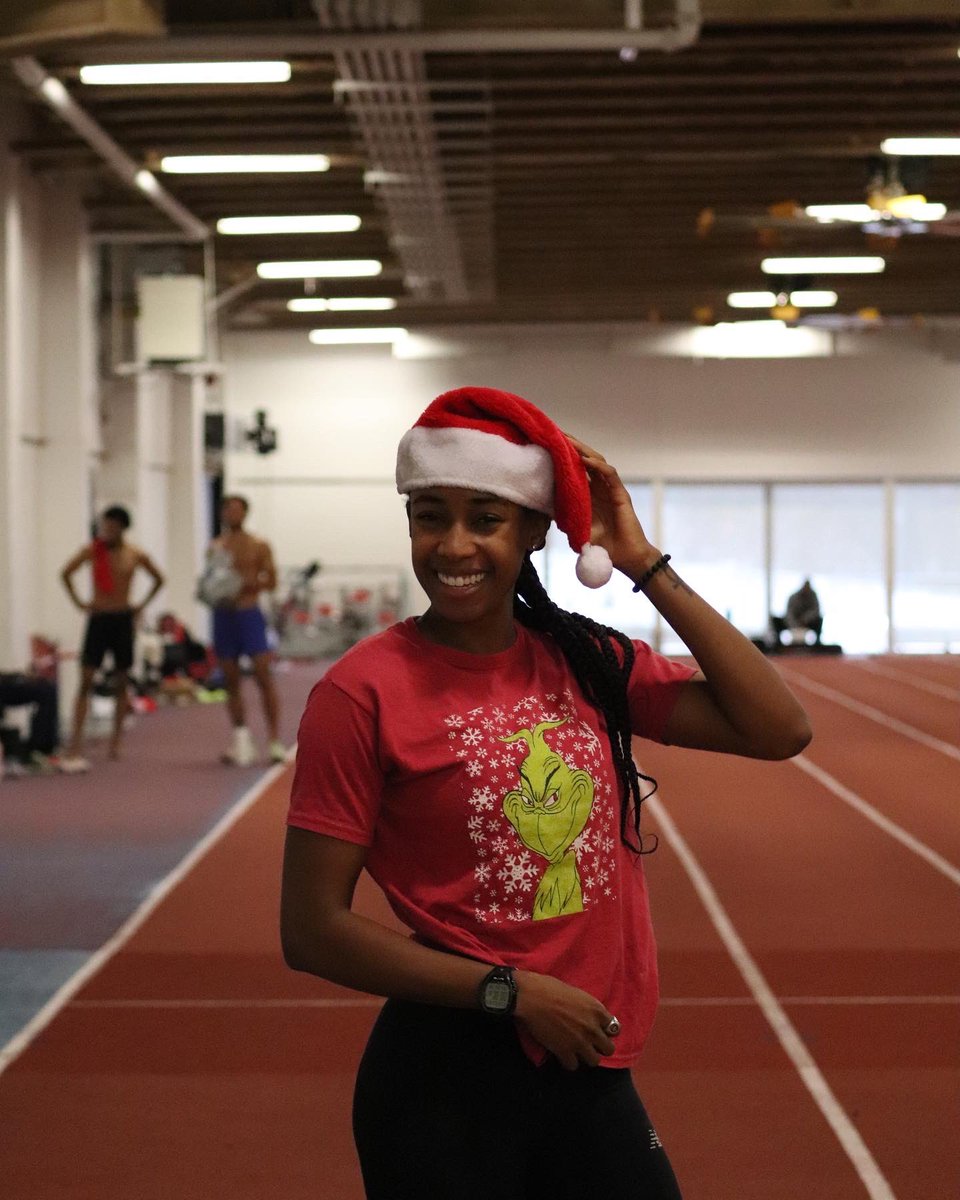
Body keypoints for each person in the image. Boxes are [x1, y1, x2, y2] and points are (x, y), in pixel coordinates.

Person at [281, 387, 812, 1200]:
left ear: (534, 529)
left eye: (485, 518)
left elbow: (779, 728)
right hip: (445, 1079)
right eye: (431, 516)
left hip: (586, 1059)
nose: (453, 545)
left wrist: (641, 563)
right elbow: (312, 930)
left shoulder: (585, 660)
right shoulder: (361, 695)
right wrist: (511, 991)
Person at [59, 504, 165, 771]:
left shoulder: (134, 554)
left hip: (121, 618)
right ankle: (76, 741)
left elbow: (158, 579)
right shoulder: (92, 551)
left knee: (121, 680)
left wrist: (140, 605)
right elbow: (66, 573)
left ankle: (116, 740)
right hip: (98, 618)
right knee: (85, 678)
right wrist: (80, 603)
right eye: (105, 525)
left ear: (122, 528)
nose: (108, 530)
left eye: (113, 526)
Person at [207, 494, 284, 765]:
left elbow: (272, 580)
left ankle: (274, 740)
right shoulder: (215, 546)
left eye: (237, 509)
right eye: (227, 509)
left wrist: (250, 585)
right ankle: (240, 738)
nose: (231, 513)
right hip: (223, 615)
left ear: (245, 513)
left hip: (249, 614)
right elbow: (210, 580)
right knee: (230, 679)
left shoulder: (259, 545)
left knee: (263, 676)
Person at [771, 578, 823, 645]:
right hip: (793, 622)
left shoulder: (813, 596)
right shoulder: (793, 597)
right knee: (776, 620)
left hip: (808, 623)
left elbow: (816, 611)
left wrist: (806, 619)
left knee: (819, 619)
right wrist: (795, 624)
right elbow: (789, 614)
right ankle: (778, 645)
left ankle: (817, 644)